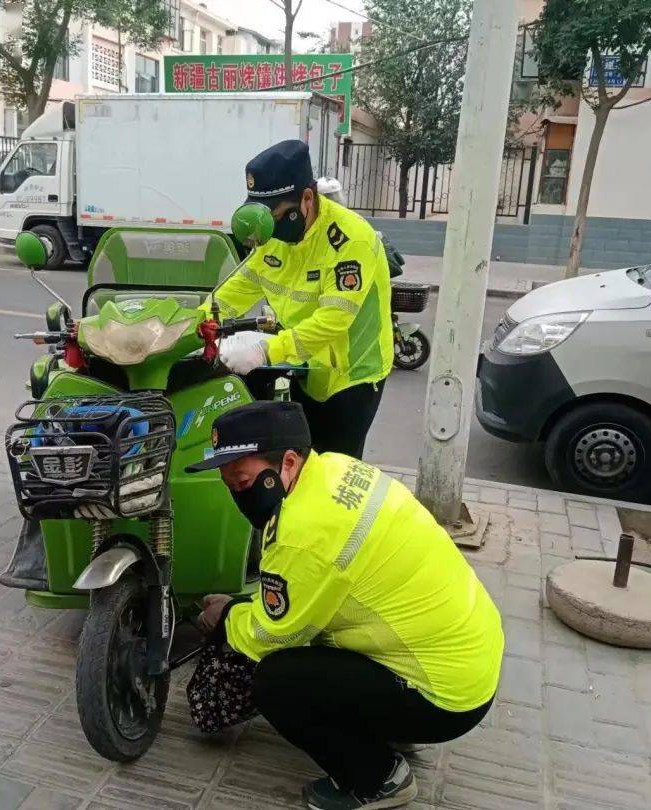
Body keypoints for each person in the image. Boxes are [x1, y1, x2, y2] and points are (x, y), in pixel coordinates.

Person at [184, 401, 504, 810]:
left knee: (277, 682)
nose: (237, 495)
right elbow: (307, 591)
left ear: (287, 462)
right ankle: (381, 720)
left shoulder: (304, 534)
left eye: (243, 482)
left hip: (445, 698)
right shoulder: (332, 467)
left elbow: (270, 634)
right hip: (468, 655)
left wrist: (227, 617)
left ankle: (378, 779)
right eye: (228, 484)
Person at [208, 140, 393, 459]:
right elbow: (235, 291)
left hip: (353, 375)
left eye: (277, 216)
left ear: (307, 198)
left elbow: (334, 320)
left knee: (337, 471)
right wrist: (199, 325)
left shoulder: (351, 241)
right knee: (302, 463)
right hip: (304, 363)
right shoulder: (270, 237)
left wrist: (266, 351)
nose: (271, 227)